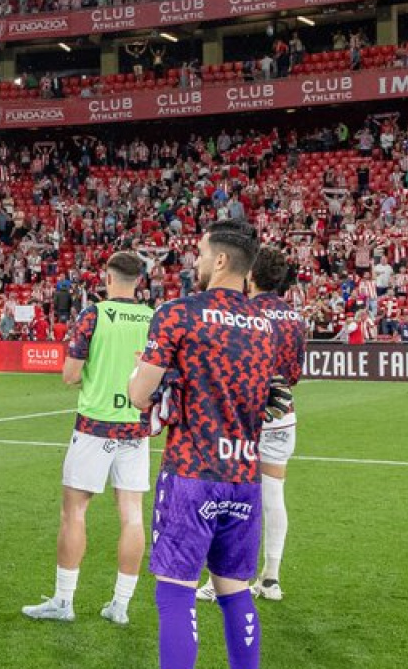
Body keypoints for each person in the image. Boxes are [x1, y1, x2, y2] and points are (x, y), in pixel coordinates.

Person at [128, 219, 278, 669]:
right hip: (244, 476)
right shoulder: (265, 325)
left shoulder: (179, 312)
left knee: (175, 592)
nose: (195, 261)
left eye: (201, 253)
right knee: (235, 592)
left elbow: (140, 395)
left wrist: (141, 372)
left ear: (221, 259)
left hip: (192, 473)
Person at [22, 251, 154, 626]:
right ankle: (120, 605)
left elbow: (70, 374)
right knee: (132, 516)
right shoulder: (154, 318)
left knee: (74, 512)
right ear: (139, 282)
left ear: (108, 279)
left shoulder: (94, 315)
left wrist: (95, 374)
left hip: (96, 425)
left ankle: (64, 601)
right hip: (136, 426)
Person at [249, 246, 306, 602]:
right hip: (282, 416)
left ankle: (225, 578)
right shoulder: (294, 317)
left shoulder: (245, 312)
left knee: (234, 497)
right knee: (273, 497)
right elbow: (295, 373)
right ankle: (271, 578)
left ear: (250, 274)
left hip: (245, 415)